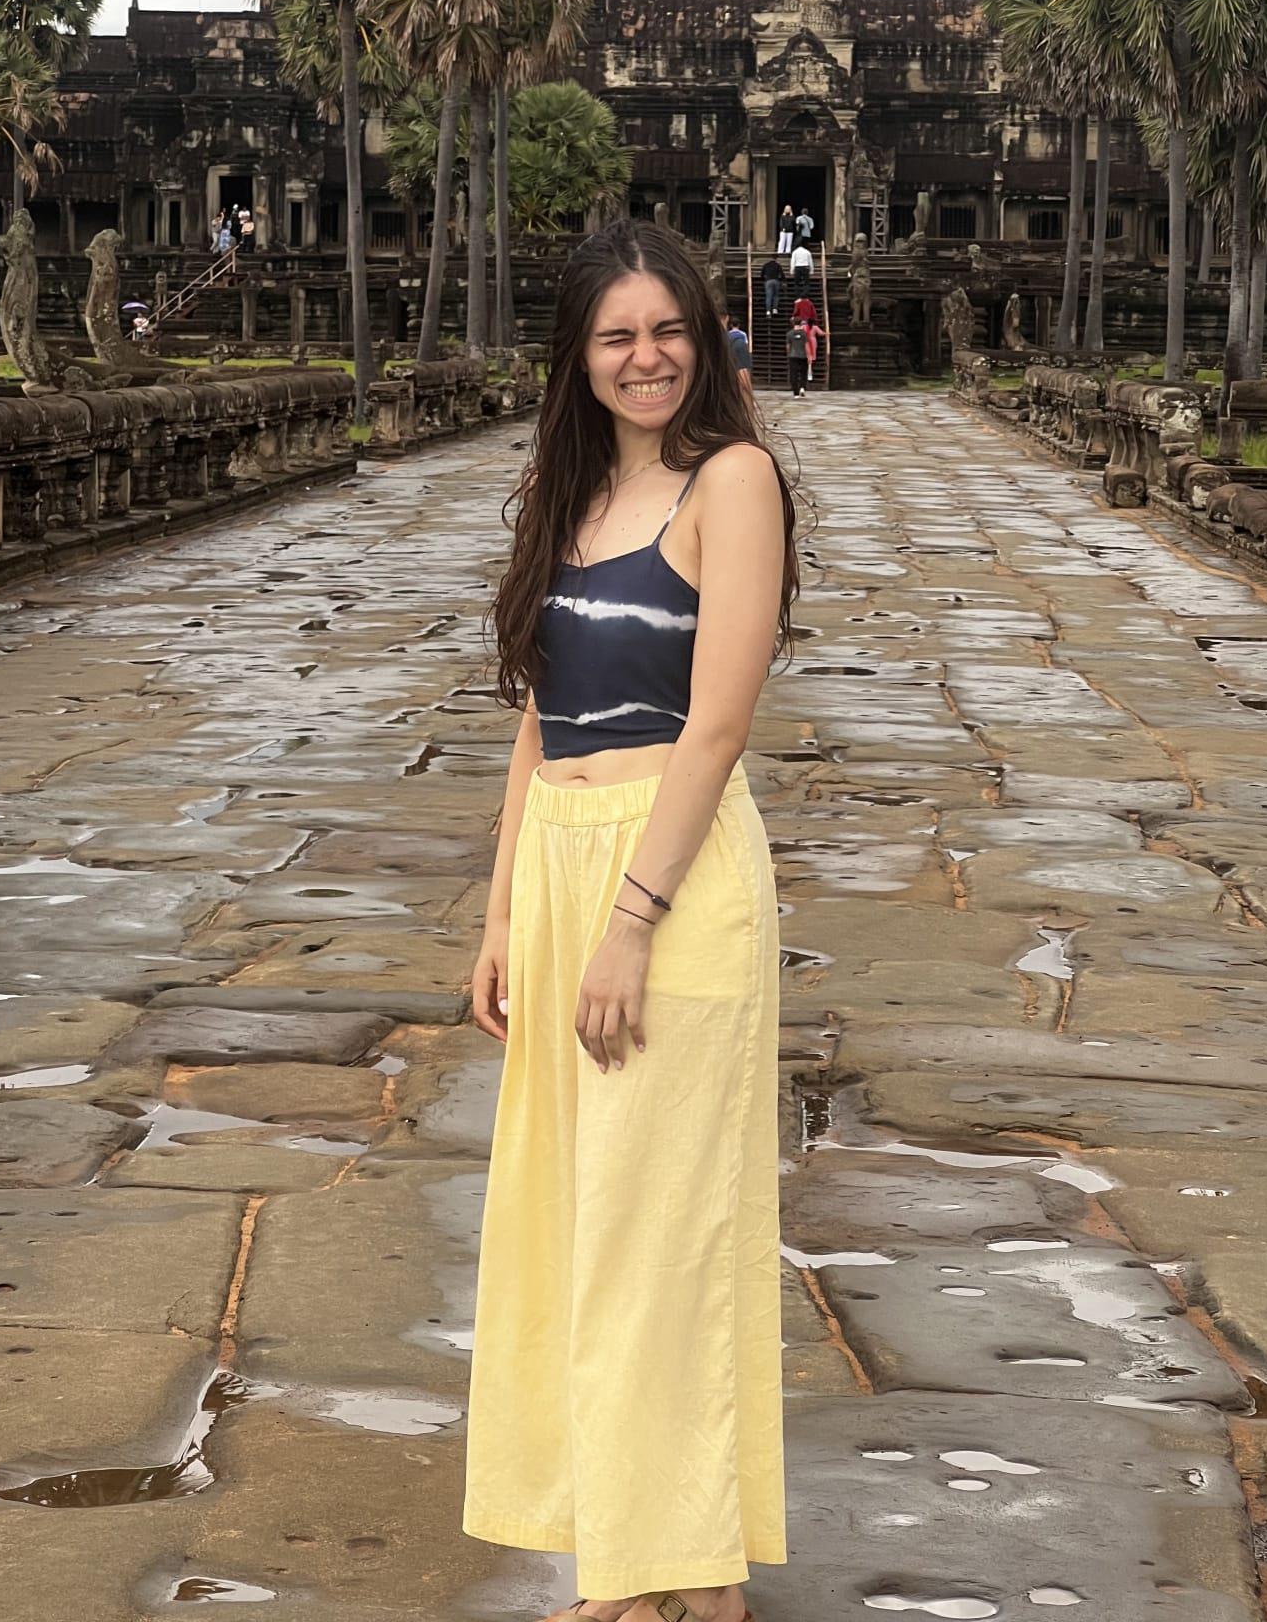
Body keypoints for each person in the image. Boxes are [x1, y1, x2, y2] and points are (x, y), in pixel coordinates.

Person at [466, 218, 800, 1622]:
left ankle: (663, 1576)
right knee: (576, 1230)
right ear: (580, 356)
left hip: (673, 871)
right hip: (558, 863)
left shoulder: (734, 481)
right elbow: (540, 721)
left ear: (704, 339)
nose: (647, 357)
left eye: (668, 330)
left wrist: (632, 921)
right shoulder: (574, 491)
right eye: (618, 336)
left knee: (661, 1233)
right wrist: (502, 920)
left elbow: (717, 724)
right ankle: (665, 1562)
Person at [721, 309, 755, 409]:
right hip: (741, 353)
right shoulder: (743, 334)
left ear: (730, 324)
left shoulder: (727, 335)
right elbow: (746, 344)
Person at [785, 315, 809, 398]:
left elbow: (788, 346)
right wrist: (809, 355)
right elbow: (806, 345)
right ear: (800, 323)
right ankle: (802, 387)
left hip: (793, 355)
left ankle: (796, 393)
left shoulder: (789, 334)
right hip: (803, 356)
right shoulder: (804, 334)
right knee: (803, 373)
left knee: (793, 374)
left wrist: (788, 353)